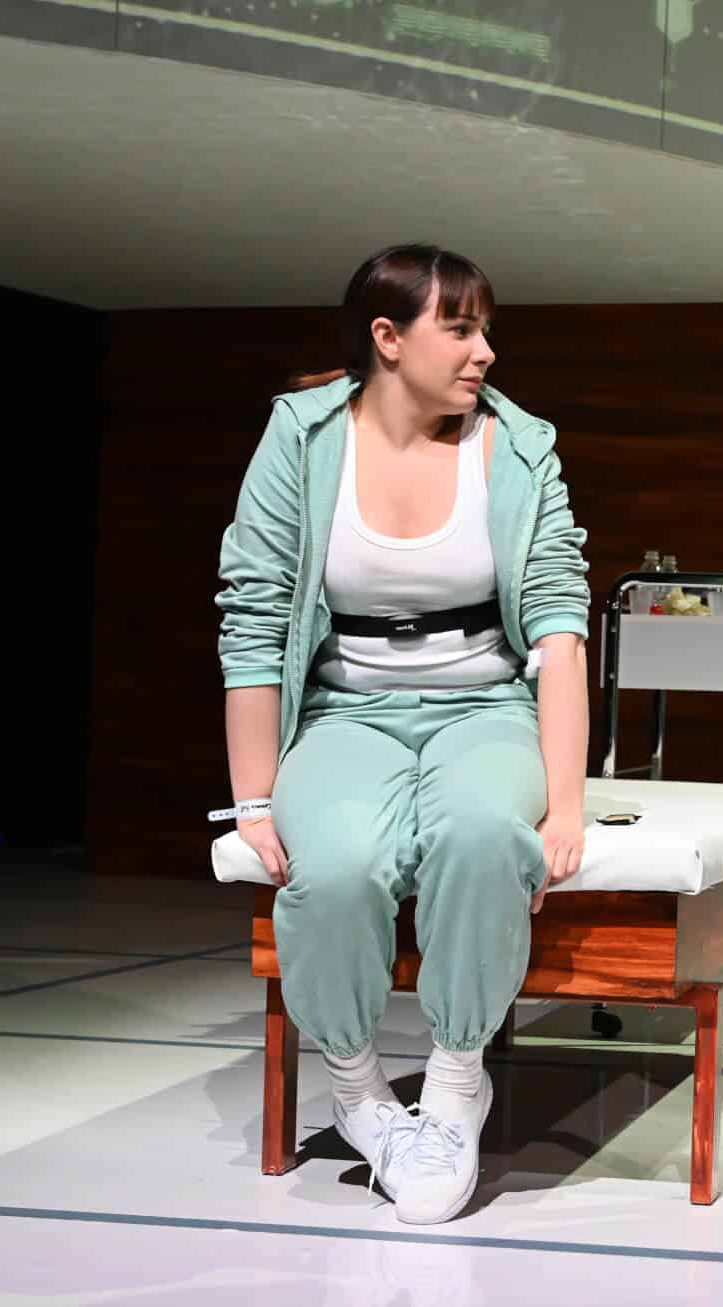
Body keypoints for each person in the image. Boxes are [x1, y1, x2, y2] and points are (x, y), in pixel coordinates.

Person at [214, 243, 591, 1224]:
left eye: (485, 329)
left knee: (482, 834)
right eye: (459, 329)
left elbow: (558, 628)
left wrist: (566, 803)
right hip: (347, 712)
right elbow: (253, 616)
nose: (484, 352)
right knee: (334, 867)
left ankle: (458, 1079)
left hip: (484, 707)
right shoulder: (300, 439)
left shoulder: (517, 445)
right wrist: (252, 799)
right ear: (387, 338)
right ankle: (358, 1090)